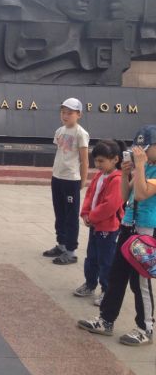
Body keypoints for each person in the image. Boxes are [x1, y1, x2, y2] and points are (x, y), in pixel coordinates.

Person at [78, 125, 156, 347]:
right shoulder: (145, 167)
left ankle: (145, 328)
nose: (141, 152)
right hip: (128, 226)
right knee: (116, 276)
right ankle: (106, 320)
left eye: (145, 148)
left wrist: (139, 167)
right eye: (139, 148)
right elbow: (125, 196)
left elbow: (142, 194)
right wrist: (126, 173)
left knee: (140, 282)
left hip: (146, 231)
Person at [73, 140, 125, 306]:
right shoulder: (99, 176)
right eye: (96, 161)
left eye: (101, 161)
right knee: (92, 257)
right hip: (95, 226)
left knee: (106, 260)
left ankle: (106, 290)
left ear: (115, 159)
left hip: (108, 228)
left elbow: (110, 205)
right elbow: (90, 195)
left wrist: (92, 217)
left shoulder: (117, 179)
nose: (97, 164)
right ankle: (90, 284)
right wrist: (85, 213)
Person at [43, 97, 89, 265]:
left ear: (79, 114)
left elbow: (84, 160)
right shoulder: (60, 131)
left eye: (70, 113)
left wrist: (83, 180)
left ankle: (71, 251)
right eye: (63, 112)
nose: (65, 115)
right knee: (60, 213)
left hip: (71, 180)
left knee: (70, 216)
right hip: (57, 178)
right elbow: (61, 153)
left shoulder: (80, 133)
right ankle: (61, 245)